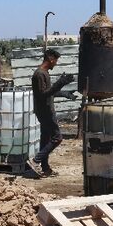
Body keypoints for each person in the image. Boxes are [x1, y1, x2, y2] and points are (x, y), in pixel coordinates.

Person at [29, 48, 75, 176]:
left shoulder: (44, 73)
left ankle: (45, 169)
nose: (56, 63)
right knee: (57, 138)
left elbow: (49, 93)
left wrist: (64, 93)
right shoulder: (39, 74)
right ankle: (36, 160)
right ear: (50, 59)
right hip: (45, 112)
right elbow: (42, 95)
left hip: (46, 110)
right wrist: (60, 83)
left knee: (45, 139)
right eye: (55, 60)